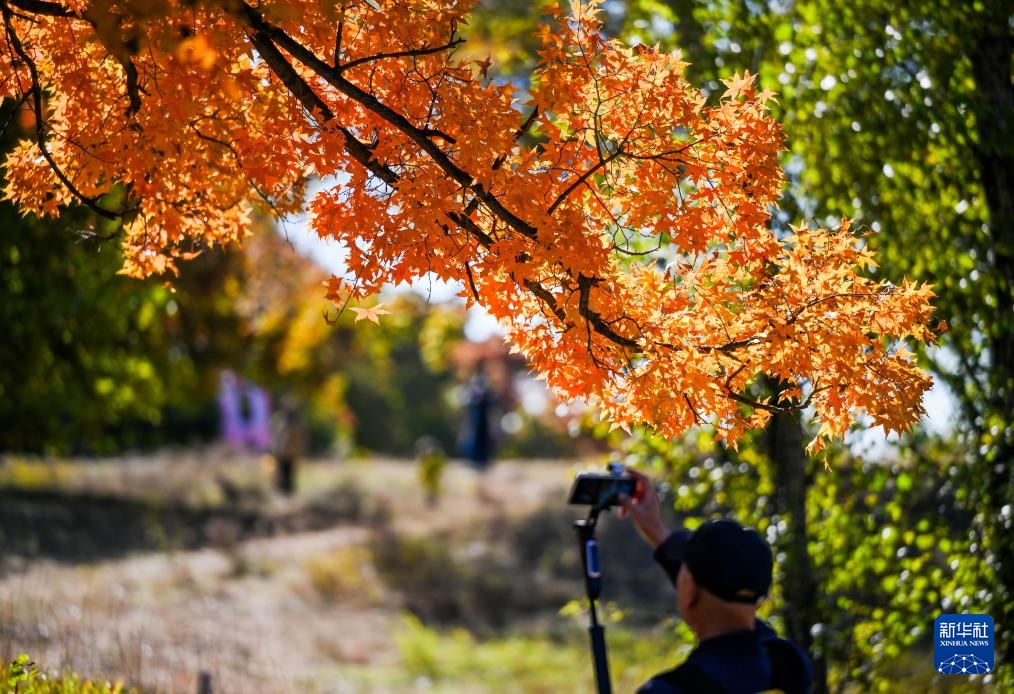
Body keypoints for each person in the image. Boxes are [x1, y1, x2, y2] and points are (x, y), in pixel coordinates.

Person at [620, 468, 812, 694]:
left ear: (689, 590)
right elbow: (742, 620)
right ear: (759, 600)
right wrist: (657, 531)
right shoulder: (789, 666)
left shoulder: (670, 690)